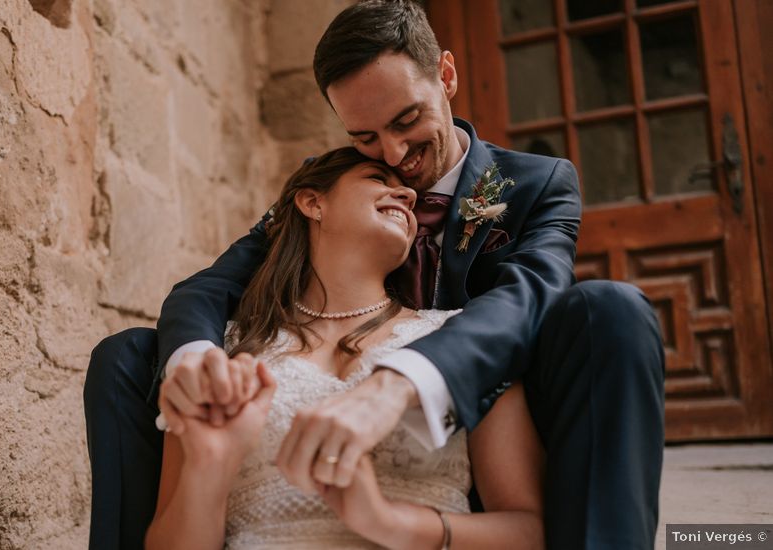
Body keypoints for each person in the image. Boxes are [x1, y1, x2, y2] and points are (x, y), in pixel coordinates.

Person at [84, 1, 665, 548]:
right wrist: (195, 369)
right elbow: (210, 287)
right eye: (364, 137)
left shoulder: (537, 184)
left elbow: (526, 302)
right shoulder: (332, 186)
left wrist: (397, 383)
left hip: (493, 414)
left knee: (610, 311)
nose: (392, 155)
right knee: (130, 357)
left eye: (407, 120)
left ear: (447, 75)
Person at [145, 147, 544, 549]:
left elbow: (531, 533)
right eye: (377, 178)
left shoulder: (462, 339)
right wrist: (208, 466)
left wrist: (390, 522)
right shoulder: (219, 355)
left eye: (408, 193)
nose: (406, 197)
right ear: (313, 202)